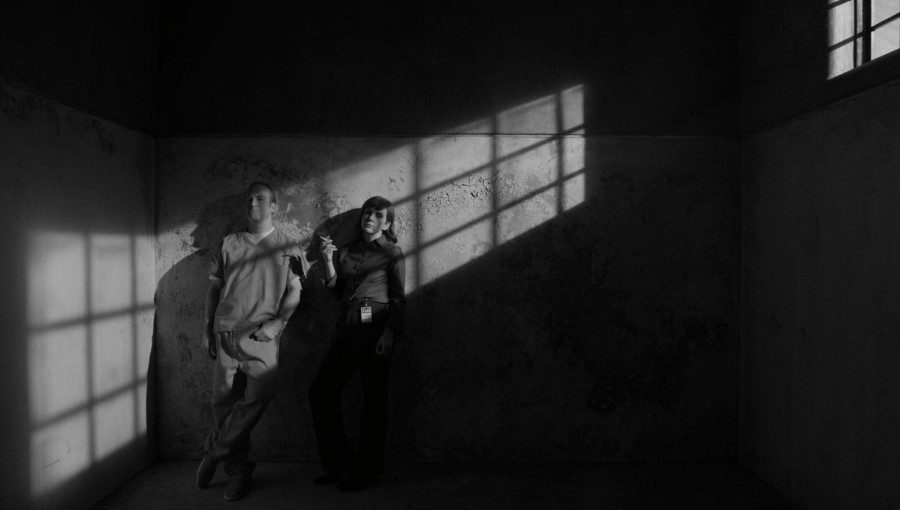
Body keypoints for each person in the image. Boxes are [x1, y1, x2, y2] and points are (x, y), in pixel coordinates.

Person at [196, 182, 306, 501]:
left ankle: (215, 452)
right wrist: (206, 328)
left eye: (260, 199)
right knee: (223, 405)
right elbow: (215, 289)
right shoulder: (229, 242)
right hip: (226, 331)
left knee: (263, 391)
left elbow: (296, 290)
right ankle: (237, 472)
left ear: (274, 206)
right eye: (248, 199)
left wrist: (278, 323)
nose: (252, 203)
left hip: (261, 336)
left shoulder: (288, 245)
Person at [310, 195, 406, 491]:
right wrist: (328, 260)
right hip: (348, 325)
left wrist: (389, 334)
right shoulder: (348, 251)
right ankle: (339, 464)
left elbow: (399, 298)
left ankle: (367, 470)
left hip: (375, 325)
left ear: (386, 223)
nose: (370, 217)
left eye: (378, 215)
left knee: (373, 400)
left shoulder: (392, 252)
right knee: (321, 392)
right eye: (367, 212)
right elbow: (340, 292)